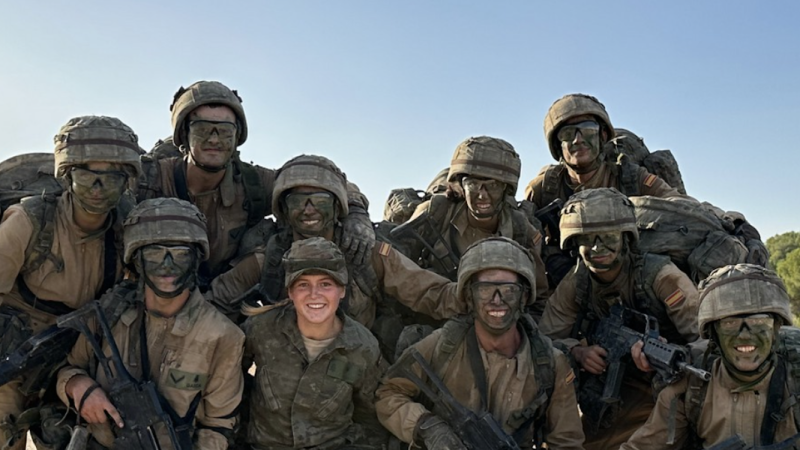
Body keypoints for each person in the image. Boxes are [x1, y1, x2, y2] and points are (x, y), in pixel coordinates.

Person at [209, 155, 463, 359]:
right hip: (283, 378)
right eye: (298, 201)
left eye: (319, 200)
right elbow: (217, 302)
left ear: (336, 205)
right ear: (284, 209)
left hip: (355, 373)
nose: (309, 210)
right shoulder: (270, 257)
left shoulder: (365, 252)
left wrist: (479, 298)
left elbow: (427, 291)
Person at [137, 80, 375, 283]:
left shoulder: (252, 183)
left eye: (225, 130)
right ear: (183, 135)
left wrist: (355, 213)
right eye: (202, 128)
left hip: (226, 297)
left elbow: (322, 182)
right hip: (156, 293)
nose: (214, 138)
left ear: (238, 136)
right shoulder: (149, 179)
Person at [0, 116, 142, 450]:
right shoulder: (30, 220)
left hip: (76, 354)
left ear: (126, 182)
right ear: (66, 175)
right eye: (86, 175)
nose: (97, 188)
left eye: (111, 177)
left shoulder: (126, 228)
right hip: (13, 354)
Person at [57, 197, 245, 449]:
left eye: (180, 255)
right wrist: (77, 385)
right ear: (136, 260)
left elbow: (218, 425)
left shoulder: (222, 336)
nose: (168, 267)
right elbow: (67, 368)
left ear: (196, 259)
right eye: (155, 254)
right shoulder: (109, 314)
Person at [376, 237, 585, 450]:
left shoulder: (550, 364)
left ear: (524, 297)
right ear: (469, 297)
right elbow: (389, 395)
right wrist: (426, 426)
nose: (496, 300)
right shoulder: (443, 346)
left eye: (508, 290)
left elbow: (567, 442)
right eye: (485, 289)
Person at [539, 188, 699, 450]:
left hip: (672, 384)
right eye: (587, 238)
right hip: (621, 387)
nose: (597, 247)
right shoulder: (578, 281)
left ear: (626, 238)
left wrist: (675, 356)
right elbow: (543, 340)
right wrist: (578, 352)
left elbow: (707, 340)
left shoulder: (660, 276)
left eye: (608, 237)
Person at [621, 264, 799, 449]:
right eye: (730, 323)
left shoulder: (795, 377)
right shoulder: (691, 387)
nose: (745, 335)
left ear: (776, 328)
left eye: (758, 321)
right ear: (713, 334)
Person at [241, 237, 386, 449]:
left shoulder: (362, 348)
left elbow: (370, 418)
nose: (314, 294)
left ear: (342, 290)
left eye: (326, 284)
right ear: (290, 292)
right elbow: (230, 385)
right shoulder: (261, 330)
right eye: (303, 285)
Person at [397, 136, 549, 320]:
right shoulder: (435, 213)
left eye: (493, 186)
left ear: (505, 190)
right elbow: (400, 270)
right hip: (432, 314)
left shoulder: (520, 228)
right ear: (461, 186)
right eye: (473, 184)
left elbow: (538, 296)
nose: (482, 195)